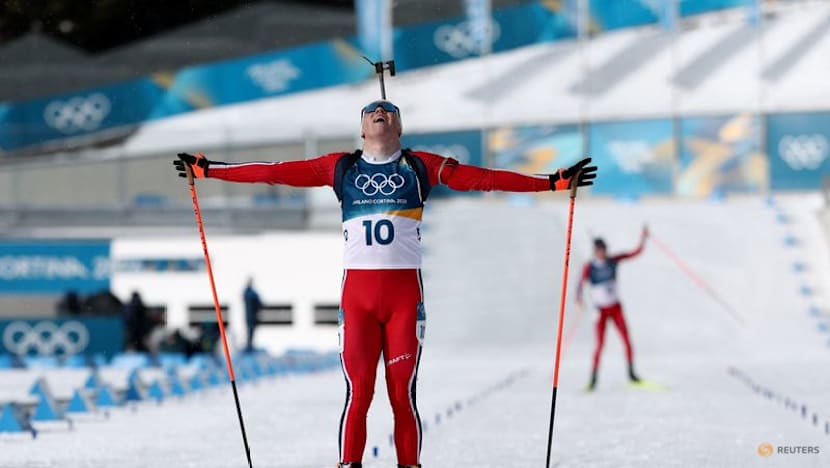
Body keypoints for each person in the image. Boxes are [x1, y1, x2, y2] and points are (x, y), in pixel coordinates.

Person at [174, 99, 597, 468]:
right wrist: (209, 171)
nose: (380, 112)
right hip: (357, 300)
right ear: (362, 129)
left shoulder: (421, 166)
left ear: (398, 127)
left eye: (389, 111)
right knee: (359, 394)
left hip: (403, 301)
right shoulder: (340, 166)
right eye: (372, 111)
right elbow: (274, 172)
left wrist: (551, 182)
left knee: (401, 397)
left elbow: (483, 178)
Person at [575, 226, 648, 391]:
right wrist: (578, 300)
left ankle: (631, 374)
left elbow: (634, 253)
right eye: (599, 250)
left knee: (627, 340)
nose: (602, 253)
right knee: (600, 345)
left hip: (615, 308)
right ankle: (593, 379)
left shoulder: (612, 261)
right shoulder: (589, 267)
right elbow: (579, 285)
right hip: (601, 311)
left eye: (604, 250)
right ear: (595, 251)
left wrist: (643, 239)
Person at [243, 278, 262, 353]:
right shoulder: (252, 293)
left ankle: (249, 346)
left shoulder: (247, 293)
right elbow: (259, 303)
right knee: (250, 332)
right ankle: (249, 346)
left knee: (250, 332)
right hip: (251, 316)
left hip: (250, 316)